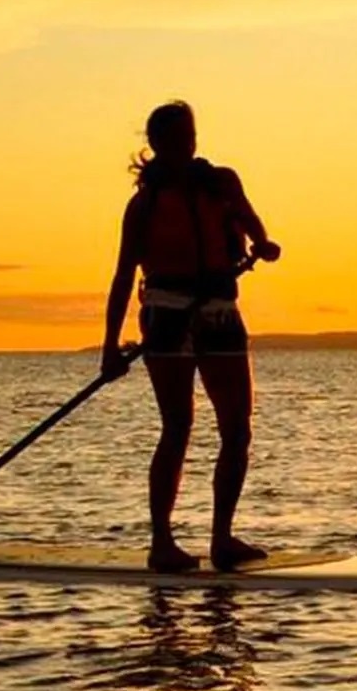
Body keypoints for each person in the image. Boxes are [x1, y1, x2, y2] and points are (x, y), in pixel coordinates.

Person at [99, 101, 282, 572]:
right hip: (167, 316)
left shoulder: (221, 183)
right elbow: (123, 276)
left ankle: (223, 538)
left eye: (191, 135)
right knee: (178, 425)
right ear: (157, 144)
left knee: (237, 428)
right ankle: (162, 542)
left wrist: (261, 243)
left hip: (219, 312)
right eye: (177, 138)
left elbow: (251, 222)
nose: (187, 145)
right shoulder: (144, 205)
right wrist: (108, 349)